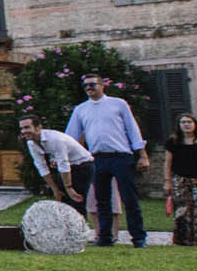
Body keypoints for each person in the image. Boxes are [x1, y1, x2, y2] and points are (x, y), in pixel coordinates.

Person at [64, 74, 150, 246]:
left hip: (121, 156)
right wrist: (64, 156)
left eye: (92, 84)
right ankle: (105, 237)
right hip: (97, 158)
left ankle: (139, 238)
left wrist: (143, 155)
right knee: (101, 200)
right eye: (85, 86)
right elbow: (71, 136)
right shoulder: (81, 109)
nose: (89, 88)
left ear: (102, 85)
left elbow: (132, 129)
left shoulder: (118, 104)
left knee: (130, 199)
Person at [18, 114, 94, 234]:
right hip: (64, 168)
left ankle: (80, 234)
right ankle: (67, 234)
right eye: (22, 128)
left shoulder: (56, 139)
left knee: (76, 201)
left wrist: (69, 187)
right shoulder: (31, 143)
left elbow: (64, 164)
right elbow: (41, 166)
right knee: (63, 201)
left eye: (27, 127)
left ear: (38, 127)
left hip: (82, 166)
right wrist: (55, 189)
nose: (24, 131)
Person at [162, 113, 197, 246]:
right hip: (181, 179)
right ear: (179, 125)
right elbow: (168, 163)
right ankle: (183, 240)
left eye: (189, 122)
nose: (186, 124)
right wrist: (167, 181)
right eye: (183, 122)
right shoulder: (173, 142)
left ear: (195, 124)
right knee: (182, 210)